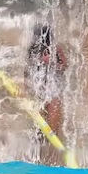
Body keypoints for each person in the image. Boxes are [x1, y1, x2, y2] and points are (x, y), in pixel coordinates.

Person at [25, 24, 68, 164]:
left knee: (52, 130)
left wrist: (52, 62)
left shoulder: (55, 48)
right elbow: (27, 71)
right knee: (40, 131)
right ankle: (39, 159)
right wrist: (27, 90)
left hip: (54, 91)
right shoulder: (32, 50)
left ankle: (53, 160)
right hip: (40, 92)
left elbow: (65, 65)